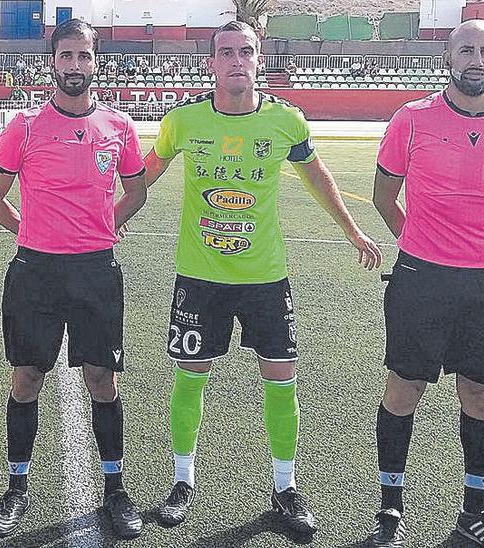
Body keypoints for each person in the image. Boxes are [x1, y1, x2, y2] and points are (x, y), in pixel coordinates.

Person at [141, 21, 381, 537]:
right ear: (211, 63)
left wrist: (354, 232)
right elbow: (146, 174)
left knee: (281, 377)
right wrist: (111, 217)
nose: (236, 61)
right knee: (191, 375)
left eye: (245, 51)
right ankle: (183, 482)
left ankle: (285, 489)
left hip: (266, 276)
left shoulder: (285, 122)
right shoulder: (183, 122)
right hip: (200, 274)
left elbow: (318, 176)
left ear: (259, 59)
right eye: (225, 52)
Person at [365, 19, 484, 548]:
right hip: (422, 279)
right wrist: (421, 242)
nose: (476, 60)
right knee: (405, 388)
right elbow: (382, 195)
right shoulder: (412, 119)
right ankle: (391, 510)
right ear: (448, 58)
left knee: (481, 393)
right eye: (465, 49)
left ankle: (475, 512)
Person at [0, 18, 149, 541]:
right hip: (36, 270)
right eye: (66, 56)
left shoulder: (119, 127)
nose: (74, 66)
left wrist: (101, 227)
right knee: (28, 376)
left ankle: (116, 489)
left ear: (96, 61)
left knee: (103, 378)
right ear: (51, 61)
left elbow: (136, 192)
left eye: (83, 56)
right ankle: (16, 488)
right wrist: (30, 232)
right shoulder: (24, 126)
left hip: (96, 270)